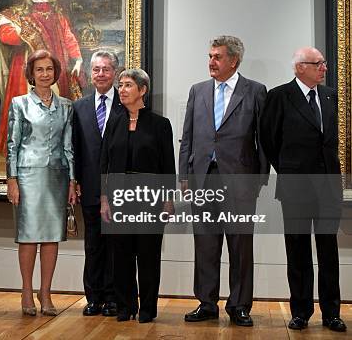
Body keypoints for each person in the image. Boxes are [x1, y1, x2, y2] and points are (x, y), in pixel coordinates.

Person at [179, 35, 268, 327]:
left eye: (217, 56)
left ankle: (239, 305)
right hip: (203, 178)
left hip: (240, 182)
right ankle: (206, 303)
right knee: (205, 243)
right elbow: (188, 138)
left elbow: (263, 140)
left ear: (234, 60)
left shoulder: (255, 91)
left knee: (240, 246)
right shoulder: (198, 91)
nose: (211, 62)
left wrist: (260, 180)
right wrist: (184, 177)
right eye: (210, 56)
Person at [260, 47, 347, 332]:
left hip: (328, 187)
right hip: (296, 187)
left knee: (328, 251)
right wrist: (288, 170)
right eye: (318, 64)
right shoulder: (279, 96)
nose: (324, 68)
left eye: (324, 63)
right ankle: (300, 311)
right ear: (300, 68)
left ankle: (332, 313)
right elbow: (269, 140)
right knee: (297, 250)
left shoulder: (329, 95)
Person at [100, 69, 175, 323]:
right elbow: (104, 162)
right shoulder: (114, 122)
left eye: (128, 85)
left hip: (150, 198)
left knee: (148, 255)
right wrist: (104, 199)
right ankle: (125, 306)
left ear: (142, 90)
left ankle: (147, 308)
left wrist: (168, 199)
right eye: (120, 85)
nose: (122, 89)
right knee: (120, 255)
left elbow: (168, 166)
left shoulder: (160, 124)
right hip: (119, 196)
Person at [6, 49, 77, 316]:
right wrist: (11, 180)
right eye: (39, 70)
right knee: (28, 236)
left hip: (56, 176)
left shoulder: (66, 106)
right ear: (31, 74)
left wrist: (72, 181)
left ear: (55, 73)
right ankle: (26, 290)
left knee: (51, 238)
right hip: (27, 176)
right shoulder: (19, 103)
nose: (45, 74)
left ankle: (45, 292)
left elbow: (68, 146)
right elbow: (12, 145)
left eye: (49, 69)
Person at [0, 0, 83, 153]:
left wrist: (78, 58)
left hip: (55, 66)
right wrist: (23, 35)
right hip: (25, 64)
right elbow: (5, 34)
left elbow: (68, 37)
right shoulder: (18, 13)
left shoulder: (57, 14)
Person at [72, 51, 122, 317]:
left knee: (115, 245)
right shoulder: (79, 107)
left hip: (118, 190)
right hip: (89, 186)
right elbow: (75, 149)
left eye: (106, 69)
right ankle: (94, 298)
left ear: (115, 72)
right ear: (90, 73)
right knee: (92, 245)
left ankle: (114, 297)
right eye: (96, 69)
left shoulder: (125, 105)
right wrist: (75, 181)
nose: (101, 74)